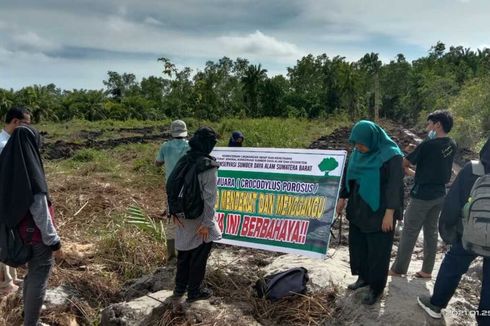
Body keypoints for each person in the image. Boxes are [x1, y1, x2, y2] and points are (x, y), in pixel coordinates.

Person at [417, 138, 490, 325]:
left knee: (452, 265)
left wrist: (448, 231)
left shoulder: (473, 169)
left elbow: (452, 204)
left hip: (468, 235)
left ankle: (435, 305)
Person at [336, 120, 404, 305]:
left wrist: (390, 213)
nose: (358, 147)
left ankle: (376, 288)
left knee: (378, 250)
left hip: (380, 211)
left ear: (372, 139)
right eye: (355, 143)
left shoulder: (391, 155)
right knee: (359, 246)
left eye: (361, 143)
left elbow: (395, 186)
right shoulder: (358, 152)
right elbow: (349, 174)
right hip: (358, 207)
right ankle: (363, 278)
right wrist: (342, 197)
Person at [0, 125, 61, 326]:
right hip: (36, 235)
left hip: (17, 234)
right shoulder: (31, 169)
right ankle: (31, 323)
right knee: (39, 275)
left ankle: (28, 317)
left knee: (31, 274)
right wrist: (52, 239)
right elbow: (38, 206)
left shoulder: (7, 165)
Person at [390, 110, 456, 279]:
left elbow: (404, 163)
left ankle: (398, 269)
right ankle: (427, 270)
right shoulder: (451, 144)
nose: (427, 128)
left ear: (438, 124)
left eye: (429, 124)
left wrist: (411, 157)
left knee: (409, 231)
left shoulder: (427, 145)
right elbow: (433, 165)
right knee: (431, 232)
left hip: (422, 195)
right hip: (440, 193)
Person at [171, 127, 222, 303]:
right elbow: (210, 199)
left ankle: (179, 288)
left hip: (181, 214)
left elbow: (172, 185)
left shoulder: (185, 159)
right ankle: (194, 291)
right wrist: (207, 223)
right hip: (198, 216)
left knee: (184, 252)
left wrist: (173, 211)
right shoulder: (207, 167)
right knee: (199, 254)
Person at [0, 106, 31, 296]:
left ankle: (12, 274)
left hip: (8, 198)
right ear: (15, 122)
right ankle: (5, 282)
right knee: (1, 239)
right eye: (26, 124)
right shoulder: (2, 144)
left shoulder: (11, 141)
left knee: (9, 235)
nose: (28, 128)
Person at [155, 120, 190, 260]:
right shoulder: (190, 146)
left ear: (172, 132)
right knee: (187, 217)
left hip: (172, 189)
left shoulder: (165, 146)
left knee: (172, 219)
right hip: (187, 188)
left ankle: (171, 255)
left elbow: (157, 163)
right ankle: (186, 251)